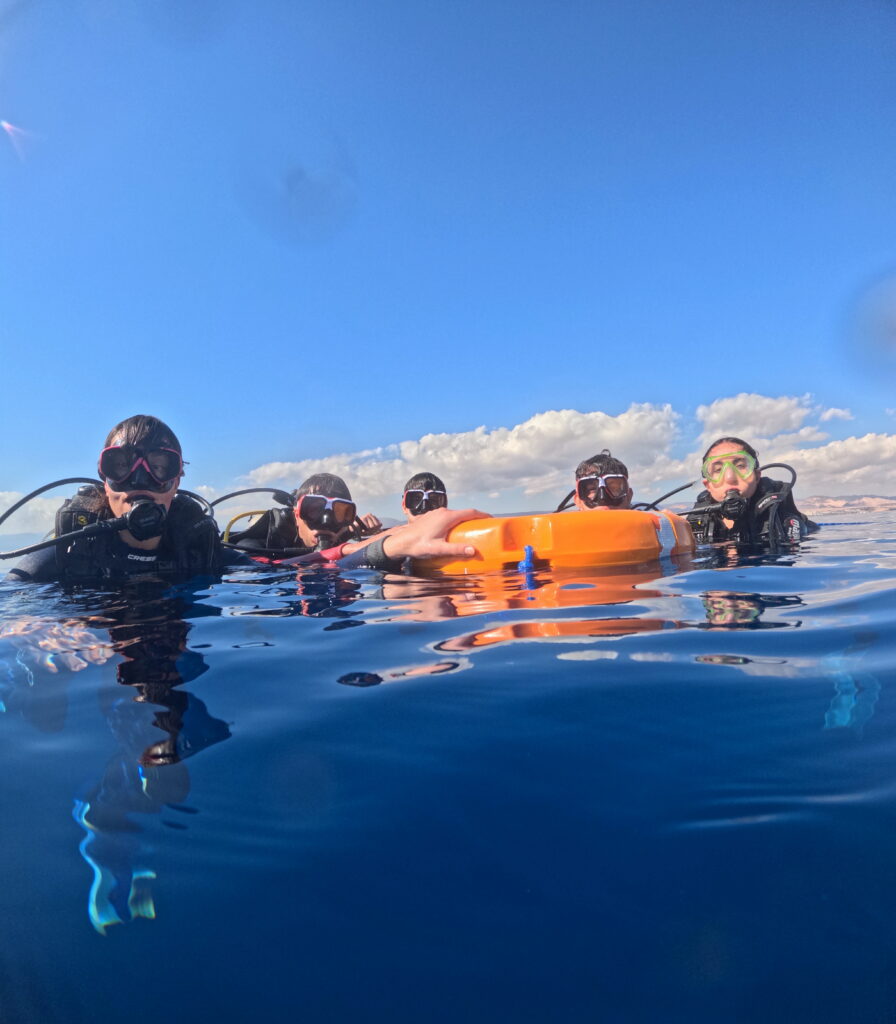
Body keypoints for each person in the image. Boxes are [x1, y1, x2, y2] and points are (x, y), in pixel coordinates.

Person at [7, 414, 254, 583]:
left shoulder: (198, 546)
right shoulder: (74, 547)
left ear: (176, 481)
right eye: (121, 466)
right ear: (105, 480)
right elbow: (12, 610)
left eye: (158, 468)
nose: (139, 480)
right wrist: (39, 635)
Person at [686, 436, 816, 546]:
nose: (730, 477)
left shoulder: (781, 518)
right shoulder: (690, 526)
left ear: (757, 476)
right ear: (708, 485)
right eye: (718, 470)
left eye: (740, 466)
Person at [229, 472, 382, 557]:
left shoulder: (339, 533)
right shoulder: (259, 546)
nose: (326, 520)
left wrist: (352, 532)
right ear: (296, 514)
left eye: (339, 512)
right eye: (314, 509)